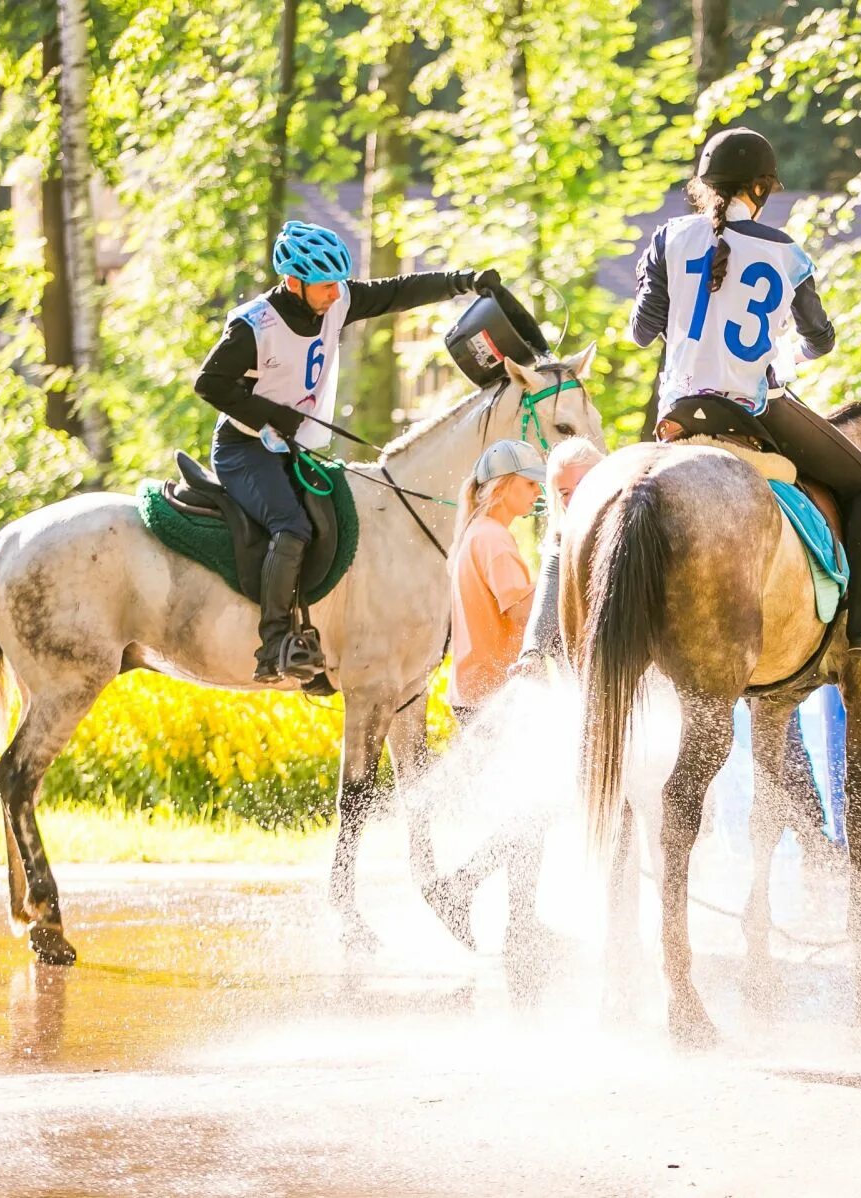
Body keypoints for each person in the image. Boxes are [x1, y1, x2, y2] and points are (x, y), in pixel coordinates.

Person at [628, 126, 861, 667]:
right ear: (760, 189)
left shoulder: (668, 237)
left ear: (704, 186)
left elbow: (642, 332)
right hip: (752, 409)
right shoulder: (787, 253)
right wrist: (787, 357)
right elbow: (820, 340)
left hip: (678, 412)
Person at [194, 219, 499, 683]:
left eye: (339, 283)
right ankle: (273, 646)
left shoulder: (337, 301)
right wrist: (272, 415)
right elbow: (209, 384)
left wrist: (463, 281)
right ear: (293, 282)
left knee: (341, 518)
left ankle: (323, 639)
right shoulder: (253, 326)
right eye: (324, 286)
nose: (336, 294)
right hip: (245, 448)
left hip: (291, 447)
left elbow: (397, 291)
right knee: (291, 527)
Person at [423, 439, 547, 949]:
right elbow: (521, 611)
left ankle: (522, 925)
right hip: (495, 694)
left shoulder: (476, 534)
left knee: (528, 810)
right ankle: (459, 888)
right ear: (502, 487)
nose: (536, 492)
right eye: (529, 483)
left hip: (478, 691)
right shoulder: (494, 540)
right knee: (532, 811)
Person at [513, 437, 606, 674]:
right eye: (564, 493)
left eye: (583, 485)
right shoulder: (562, 537)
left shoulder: (631, 525)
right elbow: (548, 593)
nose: (574, 499)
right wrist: (532, 651)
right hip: (584, 673)